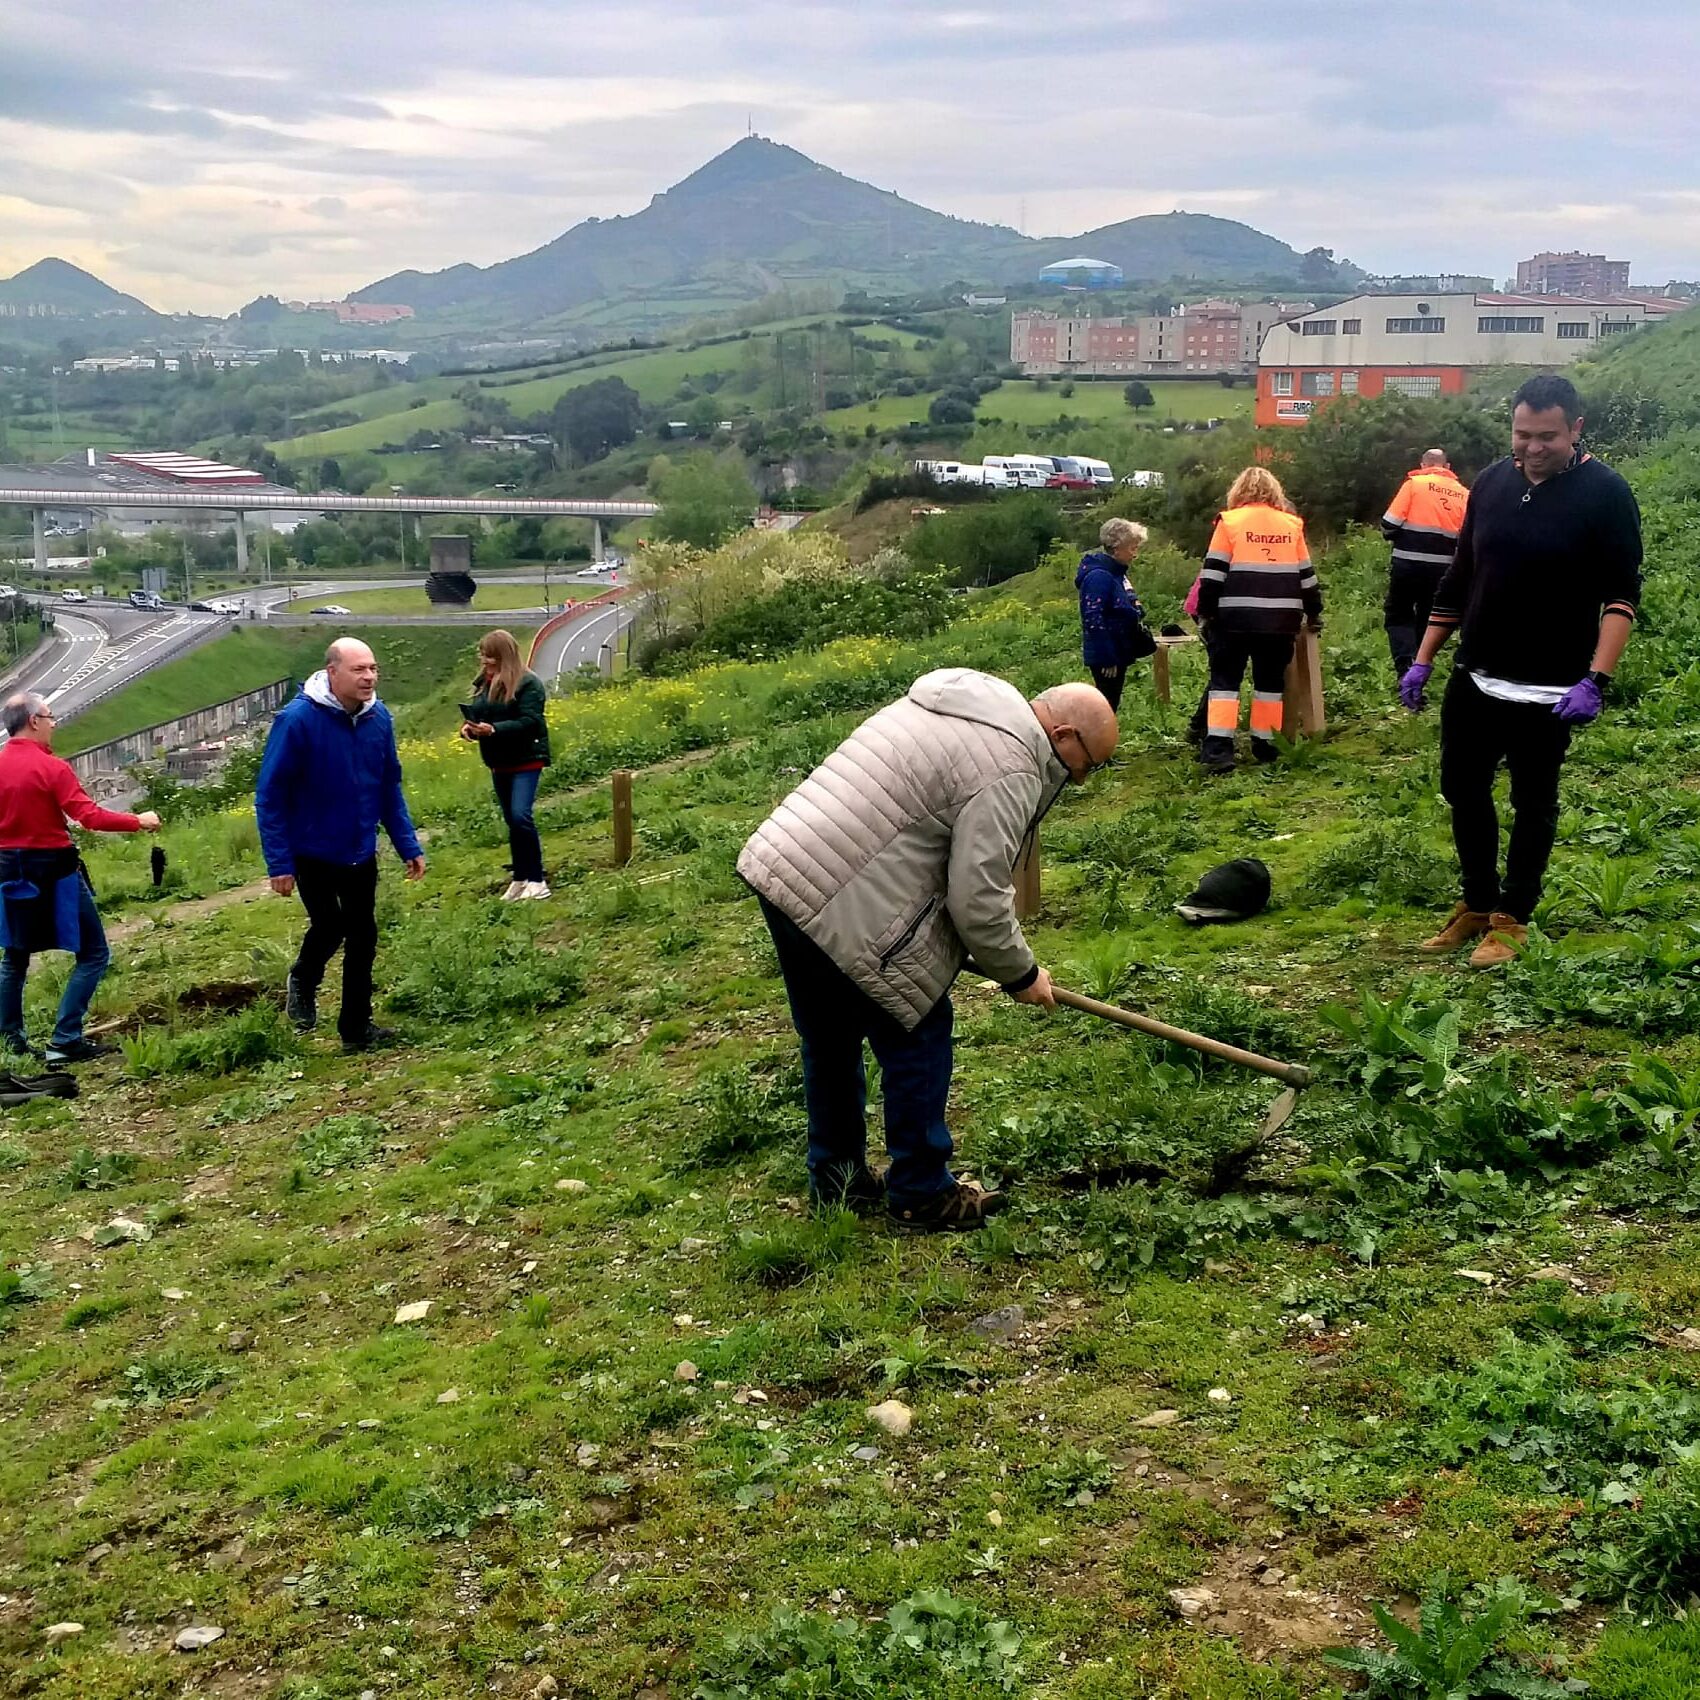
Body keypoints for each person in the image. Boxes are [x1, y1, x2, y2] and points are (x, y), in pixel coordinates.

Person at [737, 670, 1119, 1230]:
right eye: (1088, 765)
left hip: (785, 866)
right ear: (1062, 734)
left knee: (830, 1037)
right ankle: (921, 1191)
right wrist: (1021, 974)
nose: (1082, 779)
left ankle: (838, 1183)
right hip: (841, 887)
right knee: (917, 1026)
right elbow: (979, 900)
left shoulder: (967, 705)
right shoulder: (1012, 766)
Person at [1400, 374, 1641, 968]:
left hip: (1552, 686)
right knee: (1462, 789)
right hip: (1477, 673)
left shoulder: (1606, 493)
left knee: (1533, 801)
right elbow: (1461, 576)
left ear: (1575, 429)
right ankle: (1478, 904)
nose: (1533, 448)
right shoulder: (1490, 482)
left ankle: (1514, 919)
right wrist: (1424, 658)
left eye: (1547, 437)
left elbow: (1621, 597)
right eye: (1522, 435)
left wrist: (1596, 680)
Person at [256, 638, 426, 1051]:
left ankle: (356, 1028)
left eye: (373, 669)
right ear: (333, 672)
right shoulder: (297, 721)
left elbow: (388, 787)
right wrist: (279, 863)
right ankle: (303, 978)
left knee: (363, 935)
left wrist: (407, 844)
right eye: (359, 670)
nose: (369, 677)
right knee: (330, 926)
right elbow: (270, 794)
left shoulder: (378, 718)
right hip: (311, 849)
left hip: (359, 848)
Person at [0, 692, 160, 1064]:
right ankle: (65, 1040)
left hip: (9, 872)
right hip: (55, 873)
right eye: (50, 716)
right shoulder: (52, 768)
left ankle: (11, 1042)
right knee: (93, 953)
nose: (54, 723)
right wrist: (138, 821)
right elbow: (89, 817)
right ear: (34, 721)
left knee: (15, 957)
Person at [1195, 467, 1322, 774]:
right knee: (1269, 684)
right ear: (1274, 493)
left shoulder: (1229, 522)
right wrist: (1314, 612)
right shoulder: (1292, 525)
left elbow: (1211, 576)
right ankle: (1265, 746)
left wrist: (1206, 614)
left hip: (1233, 621)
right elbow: (1307, 578)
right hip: (1280, 622)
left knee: (1225, 685)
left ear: (1238, 491)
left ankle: (1219, 751)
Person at [460, 630, 552, 900]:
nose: (484, 659)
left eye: (489, 654)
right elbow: (480, 714)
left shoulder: (528, 684)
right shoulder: (484, 683)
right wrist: (469, 727)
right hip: (499, 762)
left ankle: (537, 879)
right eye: (482, 654)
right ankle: (520, 878)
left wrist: (494, 730)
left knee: (521, 815)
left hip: (526, 758)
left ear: (503, 655)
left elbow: (531, 721)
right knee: (512, 820)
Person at [1382, 448, 1469, 678]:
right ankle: (1420, 665)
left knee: (1398, 613)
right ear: (1447, 467)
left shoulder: (1414, 484)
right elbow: (1468, 538)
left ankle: (1404, 665)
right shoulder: (1464, 493)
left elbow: (1389, 524)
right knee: (1428, 616)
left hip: (1407, 564)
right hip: (1443, 569)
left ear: (1423, 465)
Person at [1075, 517, 1155, 711]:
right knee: (1105, 705)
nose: (1135, 554)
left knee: (1111, 702)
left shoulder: (1116, 573)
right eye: (1132, 548)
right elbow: (1093, 617)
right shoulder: (1099, 576)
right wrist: (1107, 657)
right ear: (1116, 548)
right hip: (1107, 653)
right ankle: (1096, 740)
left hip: (1119, 648)